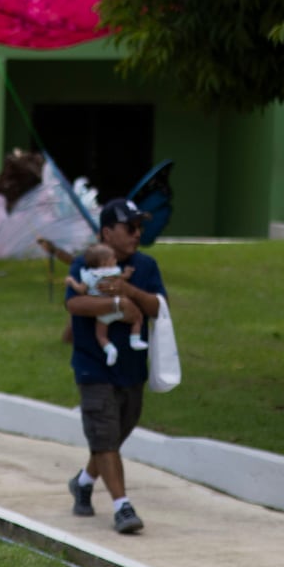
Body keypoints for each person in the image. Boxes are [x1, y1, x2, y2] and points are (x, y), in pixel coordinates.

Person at [65, 200, 166, 534]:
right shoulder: (85, 263)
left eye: (140, 227)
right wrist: (115, 304)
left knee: (117, 432)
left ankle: (83, 482)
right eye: (130, 228)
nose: (138, 234)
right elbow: (75, 303)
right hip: (94, 366)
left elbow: (156, 307)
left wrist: (128, 290)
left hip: (132, 368)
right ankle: (123, 507)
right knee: (105, 436)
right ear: (107, 232)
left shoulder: (146, 266)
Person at [65, 237, 148, 366]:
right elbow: (124, 278)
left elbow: (81, 290)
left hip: (101, 312)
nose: (115, 260)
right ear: (104, 262)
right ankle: (135, 340)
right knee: (137, 318)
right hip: (118, 307)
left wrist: (71, 282)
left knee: (101, 336)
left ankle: (110, 350)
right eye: (113, 258)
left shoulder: (89, 275)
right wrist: (127, 272)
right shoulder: (114, 272)